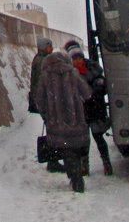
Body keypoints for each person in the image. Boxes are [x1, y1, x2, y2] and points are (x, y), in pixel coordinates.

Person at [33, 47, 92, 193]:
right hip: (75, 121)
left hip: (57, 125)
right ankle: (77, 177)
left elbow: (39, 100)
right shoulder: (73, 73)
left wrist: (48, 115)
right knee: (75, 149)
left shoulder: (45, 76)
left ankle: (73, 176)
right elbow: (86, 93)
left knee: (66, 150)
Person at [65, 40, 113, 176]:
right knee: (84, 141)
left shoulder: (93, 68)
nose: (78, 61)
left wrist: (98, 88)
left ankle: (106, 163)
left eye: (79, 57)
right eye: (74, 58)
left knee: (98, 138)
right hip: (81, 112)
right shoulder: (69, 73)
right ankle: (84, 165)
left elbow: (103, 87)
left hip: (95, 109)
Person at [29, 37, 53, 114]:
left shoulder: (41, 58)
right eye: (50, 47)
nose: (52, 48)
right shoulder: (41, 60)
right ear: (44, 47)